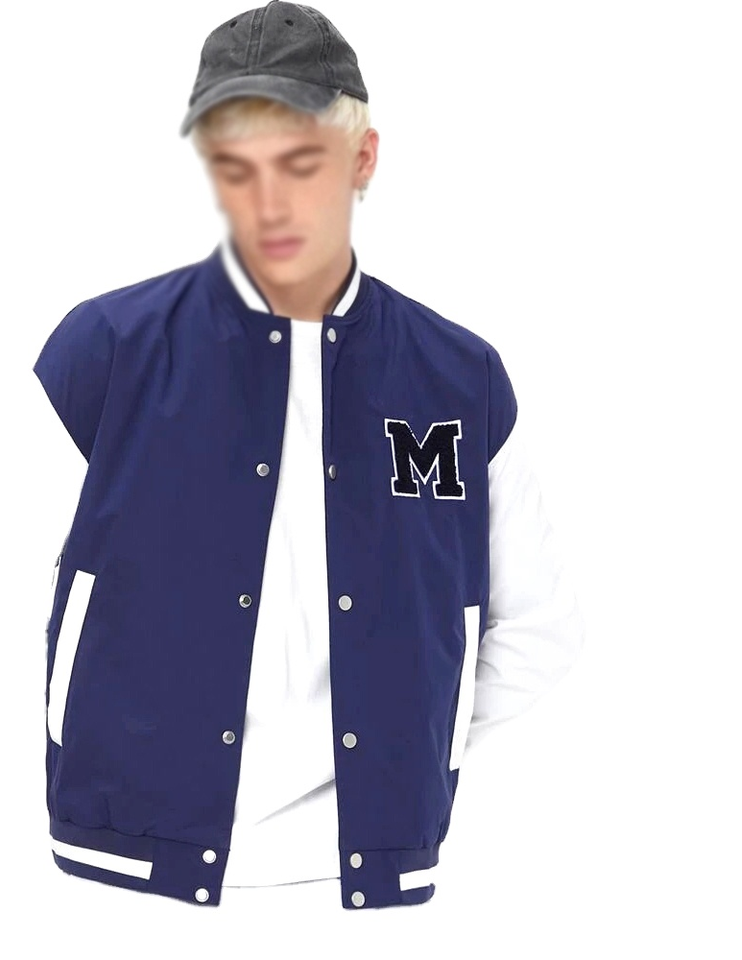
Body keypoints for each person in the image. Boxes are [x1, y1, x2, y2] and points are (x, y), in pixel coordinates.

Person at [32, 1, 585, 916]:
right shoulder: (107, 350)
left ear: (364, 160)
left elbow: (540, 628)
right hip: (127, 879)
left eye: (300, 162)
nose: (269, 201)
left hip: (367, 888)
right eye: (236, 164)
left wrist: (412, 746)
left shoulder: (459, 381)